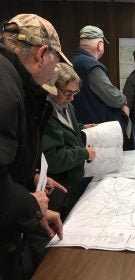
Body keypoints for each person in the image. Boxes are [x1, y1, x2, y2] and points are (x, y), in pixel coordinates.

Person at [0, 13, 69, 279]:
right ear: (42, 54)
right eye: (56, 63)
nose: (55, 72)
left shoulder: (10, 79)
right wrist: (31, 206)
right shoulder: (6, 88)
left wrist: (29, 177)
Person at [42, 62, 96, 219]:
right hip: (57, 188)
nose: (72, 98)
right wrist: (83, 154)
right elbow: (52, 158)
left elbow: (66, 129)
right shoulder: (45, 113)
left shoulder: (66, 105)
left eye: (75, 92)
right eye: (67, 93)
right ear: (52, 87)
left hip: (73, 182)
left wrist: (81, 127)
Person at [71, 25, 129, 134]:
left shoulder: (73, 61)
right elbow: (113, 97)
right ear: (100, 45)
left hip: (82, 124)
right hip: (97, 128)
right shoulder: (92, 66)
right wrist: (123, 100)